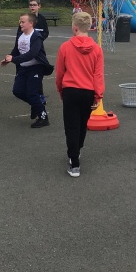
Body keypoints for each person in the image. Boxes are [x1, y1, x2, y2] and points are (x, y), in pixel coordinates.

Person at [55, 12, 104, 178]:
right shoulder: (97, 49)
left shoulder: (65, 47)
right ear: (89, 27)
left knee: (71, 126)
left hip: (70, 90)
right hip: (88, 91)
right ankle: (77, 150)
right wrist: (98, 95)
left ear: (74, 27)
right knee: (82, 124)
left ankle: (74, 161)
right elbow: (98, 75)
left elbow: (60, 72)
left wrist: (60, 89)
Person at [2, 13, 53, 128]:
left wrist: (14, 59)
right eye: (20, 22)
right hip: (23, 68)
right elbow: (16, 50)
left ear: (31, 23)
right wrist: (8, 59)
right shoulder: (20, 35)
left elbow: (32, 54)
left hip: (36, 68)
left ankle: (43, 118)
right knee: (17, 91)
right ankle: (36, 105)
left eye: (23, 22)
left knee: (32, 93)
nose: (20, 24)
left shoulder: (36, 36)